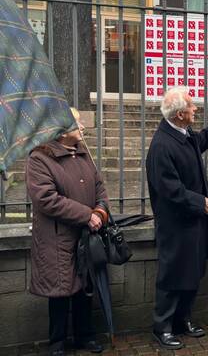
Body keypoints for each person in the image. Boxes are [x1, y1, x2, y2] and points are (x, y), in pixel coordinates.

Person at [146, 86, 208, 350]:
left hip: (193, 219)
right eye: (192, 107)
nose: (196, 109)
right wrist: (198, 201)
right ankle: (163, 327)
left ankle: (183, 320)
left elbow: (200, 142)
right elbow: (169, 189)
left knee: (193, 272)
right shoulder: (162, 145)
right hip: (176, 223)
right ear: (181, 114)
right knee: (173, 276)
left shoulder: (180, 133)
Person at [26, 108, 107, 356]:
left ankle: (85, 336)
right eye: (77, 124)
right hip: (57, 238)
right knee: (59, 291)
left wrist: (101, 212)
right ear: (61, 132)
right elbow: (46, 199)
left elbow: (100, 188)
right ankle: (57, 342)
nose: (82, 127)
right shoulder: (40, 159)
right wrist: (87, 215)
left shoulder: (83, 155)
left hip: (85, 237)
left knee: (85, 287)